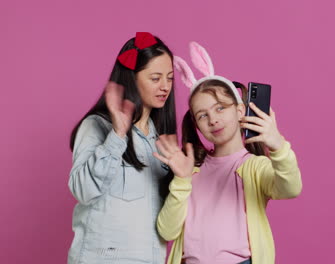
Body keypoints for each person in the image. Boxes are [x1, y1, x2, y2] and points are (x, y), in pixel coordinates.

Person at [154, 42, 302, 264]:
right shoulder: (190, 170)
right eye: (202, 115)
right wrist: (181, 180)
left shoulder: (254, 166)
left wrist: (278, 146)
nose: (213, 119)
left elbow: (291, 188)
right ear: (196, 124)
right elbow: (167, 232)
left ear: (240, 110)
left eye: (220, 108)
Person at [68, 32, 176, 264]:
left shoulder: (162, 140)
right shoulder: (97, 126)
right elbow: (83, 190)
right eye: (155, 78)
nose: (165, 86)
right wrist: (118, 135)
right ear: (132, 78)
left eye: (170, 78)